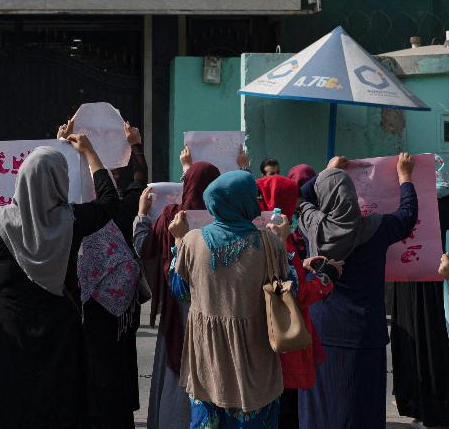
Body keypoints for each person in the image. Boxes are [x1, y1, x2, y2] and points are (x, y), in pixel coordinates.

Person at [0, 136, 118, 428]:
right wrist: (90, 153)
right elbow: (110, 202)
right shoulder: (73, 220)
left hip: (6, 336)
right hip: (59, 335)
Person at [299, 153, 418, 429]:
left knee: (322, 408)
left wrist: (327, 171)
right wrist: (405, 177)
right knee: (361, 405)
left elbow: (302, 194)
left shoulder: (311, 225)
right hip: (364, 333)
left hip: (320, 330)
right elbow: (408, 215)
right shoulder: (375, 228)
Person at [167, 170, 289, 428]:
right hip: (256, 358)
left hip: (208, 358)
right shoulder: (269, 243)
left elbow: (181, 292)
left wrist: (177, 240)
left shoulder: (192, 241)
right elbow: (290, 292)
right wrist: (283, 241)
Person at [59, 119, 148, 427]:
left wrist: (63, 148)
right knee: (116, 376)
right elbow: (139, 181)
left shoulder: (71, 218)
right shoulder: (120, 211)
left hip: (82, 314)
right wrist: (134, 144)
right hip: (117, 319)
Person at [135, 160, 219, 429]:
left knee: (176, 373)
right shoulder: (225, 220)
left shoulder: (174, 216)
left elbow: (143, 247)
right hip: (215, 311)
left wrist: (142, 216)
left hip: (179, 311)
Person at [256, 175, 343, 428]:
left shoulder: (254, 235)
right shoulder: (276, 243)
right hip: (282, 339)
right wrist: (327, 278)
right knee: (285, 410)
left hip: (259, 339)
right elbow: (299, 293)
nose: (296, 208)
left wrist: (301, 263)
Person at [390, 154, 449, 427]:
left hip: (413, 283)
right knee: (441, 341)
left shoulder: (406, 203)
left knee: (418, 338)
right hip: (442, 283)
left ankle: (416, 398)